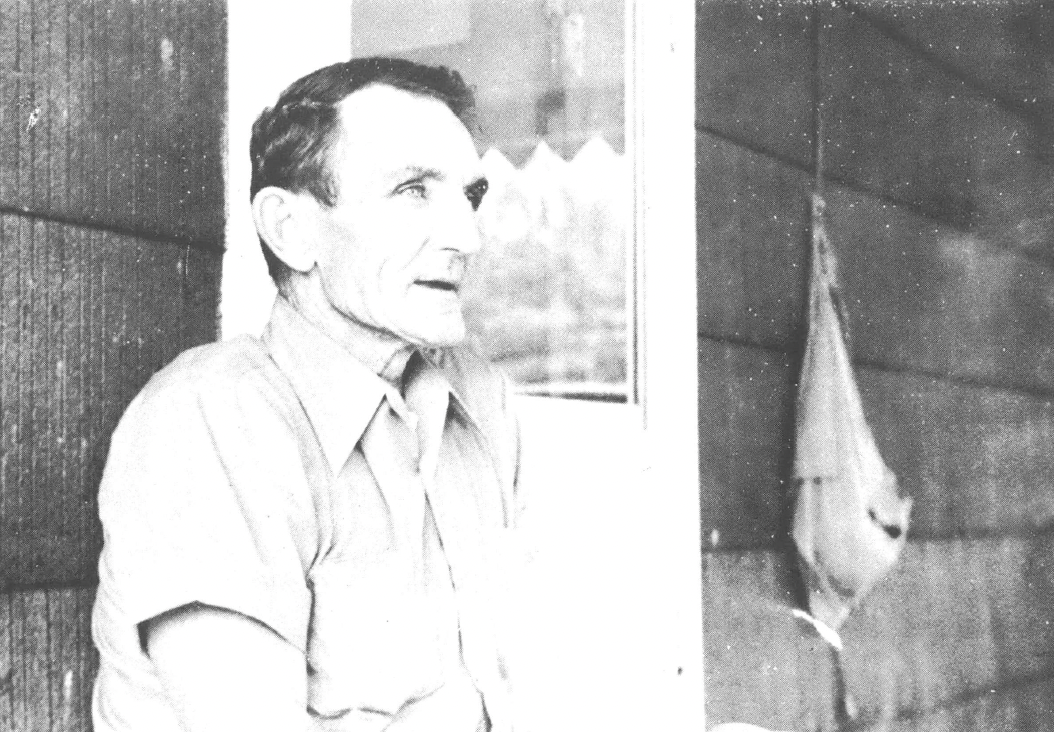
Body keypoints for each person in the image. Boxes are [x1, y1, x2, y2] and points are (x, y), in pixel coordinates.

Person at [91, 57, 520, 732]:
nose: (467, 236)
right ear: (292, 230)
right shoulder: (212, 418)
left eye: (469, 197)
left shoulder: (476, 399)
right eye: (413, 191)